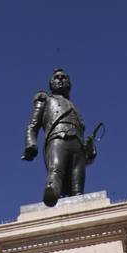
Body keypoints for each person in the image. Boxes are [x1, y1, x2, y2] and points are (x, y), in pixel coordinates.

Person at [22, 69, 97, 207]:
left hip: (78, 145)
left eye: (64, 77)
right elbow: (32, 126)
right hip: (57, 138)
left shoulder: (76, 111)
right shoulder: (45, 100)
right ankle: (52, 192)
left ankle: (78, 205)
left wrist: (90, 148)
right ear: (51, 83)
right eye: (57, 77)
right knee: (56, 169)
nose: (61, 79)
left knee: (78, 184)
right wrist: (30, 144)